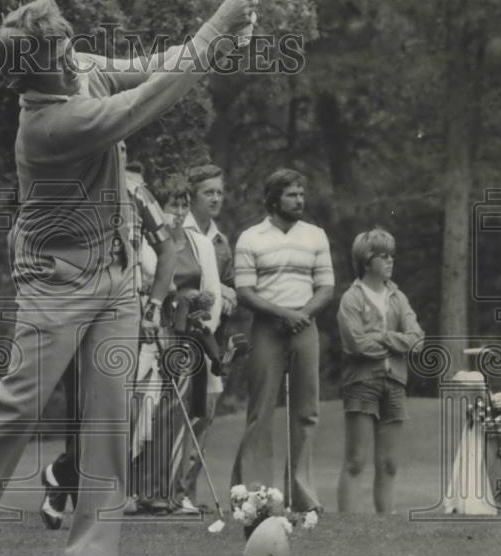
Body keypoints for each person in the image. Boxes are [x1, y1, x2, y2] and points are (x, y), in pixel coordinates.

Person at [0, 0, 259, 556]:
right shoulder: (51, 126)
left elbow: (152, 66)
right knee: (15, 406)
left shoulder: (80, 69)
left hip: (116, 272)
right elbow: (152, 97)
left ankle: (89, 552)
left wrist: (215, 46)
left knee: (109, 411)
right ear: (41, 64)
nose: (75, 51)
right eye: (63, 46)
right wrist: (217, 26)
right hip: (54, 280)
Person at [39, 146, 176, 528]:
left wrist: (154, 306)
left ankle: (63, 478)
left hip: (122, 316)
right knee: (80, 409)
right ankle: (69, 485)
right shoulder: (70, 188)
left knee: (111, 411)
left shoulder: (137, 192)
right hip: (75, 311)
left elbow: (168, 250)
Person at [230, 169, 334, 512]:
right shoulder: (251, 237)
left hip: (305, 326)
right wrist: (283, 314)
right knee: (260, 411)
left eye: (302, 194)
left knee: (307, 411)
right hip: (267, 327)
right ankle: (255, 495)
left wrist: (302, 314)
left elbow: (326, 287)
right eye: (292, 194)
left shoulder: (316, 235)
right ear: (274, 199)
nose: (300, 200)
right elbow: (244, 291)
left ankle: (301, 495)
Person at [134, 176, 221, 515]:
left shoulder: (200, 244)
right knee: (147, 410)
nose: (180, 212)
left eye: (185, 205)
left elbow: (210, 288)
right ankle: (141, 490)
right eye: (174, 205)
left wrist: (202, 319)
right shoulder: (145, 241)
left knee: (178, 416)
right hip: (154, 334)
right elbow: (146, 281)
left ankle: (169, 492)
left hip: (187, 337)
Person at [336, 228, 424, 513]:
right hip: (361, 382)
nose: (390, 261)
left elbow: (417, 339)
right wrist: (398, 343)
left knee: (389, 463)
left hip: (395, 382)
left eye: (391, 256)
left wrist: (383, 338)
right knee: (356, 461)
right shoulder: (352, 298)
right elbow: (357, 345)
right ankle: (347, 529)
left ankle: (386, 528)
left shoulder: (398, 297)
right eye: (382, 256)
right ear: (365, 261)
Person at [178, 163, 239, 509]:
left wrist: (230, 294)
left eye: (219, 192)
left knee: (205, 414)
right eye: (208, 192)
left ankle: (187, 493)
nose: (216, 198)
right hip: (182, 337)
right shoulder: (179, 231)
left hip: (212, 339)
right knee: (180, 414)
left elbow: (226, 283)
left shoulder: (221, 240)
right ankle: (170, 492)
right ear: (192, 197)